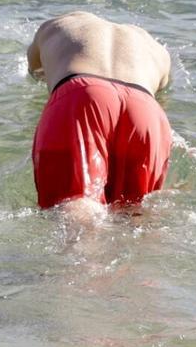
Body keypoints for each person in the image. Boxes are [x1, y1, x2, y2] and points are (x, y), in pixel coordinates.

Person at [27, 11, 173, 209]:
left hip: (83, 93)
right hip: (146, 107)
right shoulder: (155, 48)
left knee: (76, 205)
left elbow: (36, 74)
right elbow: (162, 98)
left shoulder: (54, 26)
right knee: (135, 215)